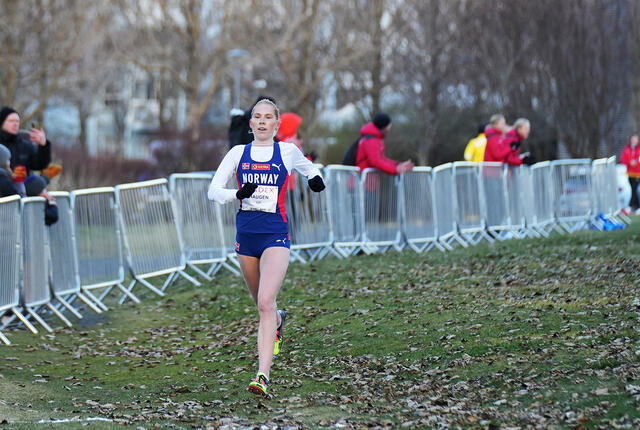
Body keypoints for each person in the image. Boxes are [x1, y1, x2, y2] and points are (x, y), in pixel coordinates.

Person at [207, 98, 325, 396]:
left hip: (276, 236)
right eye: (256, 117)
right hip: (246, 238)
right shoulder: (238, 153)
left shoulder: (287, 151)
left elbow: (309, 169)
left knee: (264, 303)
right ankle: (279, 319)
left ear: (276, 123)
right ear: (251, 124)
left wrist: (315, 180)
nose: (261, 121)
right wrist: (237, 193)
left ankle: (262, 375)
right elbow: (213, 190)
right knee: (263, 305)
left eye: (267, 117)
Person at [0, 107, 52, 176]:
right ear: (2, 123)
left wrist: (43, 145)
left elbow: (40, 165)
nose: (15, 124)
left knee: (38, 182)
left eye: (17, 121)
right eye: (11, 121)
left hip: (21, 185)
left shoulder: (25, 146)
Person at [620, 134, 640, 212]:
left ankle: (634, 206)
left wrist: (637, 163)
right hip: (630, 174)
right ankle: (633, 206)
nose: (634, 141)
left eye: (636, 139)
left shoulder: (639, 149)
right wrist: (630, 162)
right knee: (632, 190)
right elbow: (622, 160)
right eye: (633, 139)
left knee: (635, 189)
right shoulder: (627, 149)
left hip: (638, 173)